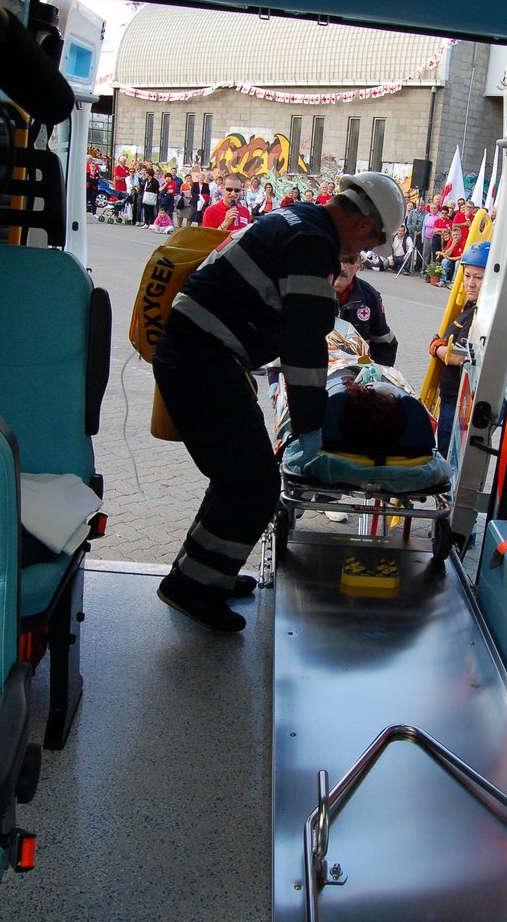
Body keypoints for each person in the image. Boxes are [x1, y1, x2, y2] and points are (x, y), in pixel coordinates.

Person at [152, 171, 406, 632]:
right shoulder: (313, 244)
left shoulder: (300, 222)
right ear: (366, 224)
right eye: (368, 246)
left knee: (237, 477)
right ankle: (193, 590)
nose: (361, 256)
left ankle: (203, 575)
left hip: (201, 357)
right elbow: (305, 347)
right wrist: (312, 427)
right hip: (201, 361)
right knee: (254, 485)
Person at [427, 241, 489, 457]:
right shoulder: (470, 308)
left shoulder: (481, 315)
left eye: (478, 278)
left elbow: (458, 357)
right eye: (468, 275)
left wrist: (436, 347)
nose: (470, 283)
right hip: (452, 397)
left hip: (460, 404)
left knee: (448, 457)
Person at [333, 256, 398, 365]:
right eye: (336, 260)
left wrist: (376, 376)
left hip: (352, 377)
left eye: (349, 261)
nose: (341, 268)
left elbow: (384, 345)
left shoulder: (370, 297)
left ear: (358, 266)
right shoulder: (310, 292)